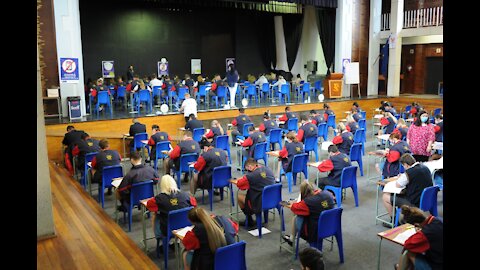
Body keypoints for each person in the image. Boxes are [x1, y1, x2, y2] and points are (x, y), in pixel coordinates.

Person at [146, 175, 197, 248]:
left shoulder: (158, 199)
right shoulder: (186, 195)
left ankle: (159, 238)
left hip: (168, 229)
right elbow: (194, 205)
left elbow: (149, 206)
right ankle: (178, 241)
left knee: (156, 215)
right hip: (185, 227)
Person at [381, 153, 433, 225]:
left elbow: (398, 185)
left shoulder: (409, 172)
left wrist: (401, 177)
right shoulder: (425, 167)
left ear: (406, 164)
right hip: (428, 200)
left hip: (414, 202)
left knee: (385, 196)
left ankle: (393, 221)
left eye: (403, 166)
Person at [282, 181, 334, 246]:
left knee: (296, 217)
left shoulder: (307, 203)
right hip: (331, 226)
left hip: (315, 230)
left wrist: (288, 203)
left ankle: (292, 239)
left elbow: (294, 208)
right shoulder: (327, 194)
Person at [229, 158, 275, 229]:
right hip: (272, 199)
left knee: (239, 196)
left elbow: (240, 185)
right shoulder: (268, 169)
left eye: (247, 169)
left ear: (249, 167)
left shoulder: (251, 176)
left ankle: (249, 218)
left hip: (259, 201)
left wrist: (243, 178)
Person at [395, 205, 443, 270]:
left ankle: (399, 268)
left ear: (416, 225)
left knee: (409, 251)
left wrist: (418, 233)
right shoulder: (437, 220)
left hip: (437, 266)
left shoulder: (424, 234)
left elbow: (407, 244)